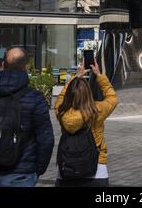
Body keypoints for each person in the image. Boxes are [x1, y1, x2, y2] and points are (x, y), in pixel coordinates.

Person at [0, 48, 54, 187]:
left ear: (3, 65)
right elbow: (46, 139)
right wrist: (38, 169)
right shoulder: (35, 97)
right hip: (22, 173)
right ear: (26, 67)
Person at [55, 59, 119, 187]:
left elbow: (61, 97)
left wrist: (76, 77)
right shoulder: (97, 111)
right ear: (88, 93)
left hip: (66, 169)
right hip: (97, 170)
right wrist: (99, 75)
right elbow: (112, 98)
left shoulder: (61, 111)